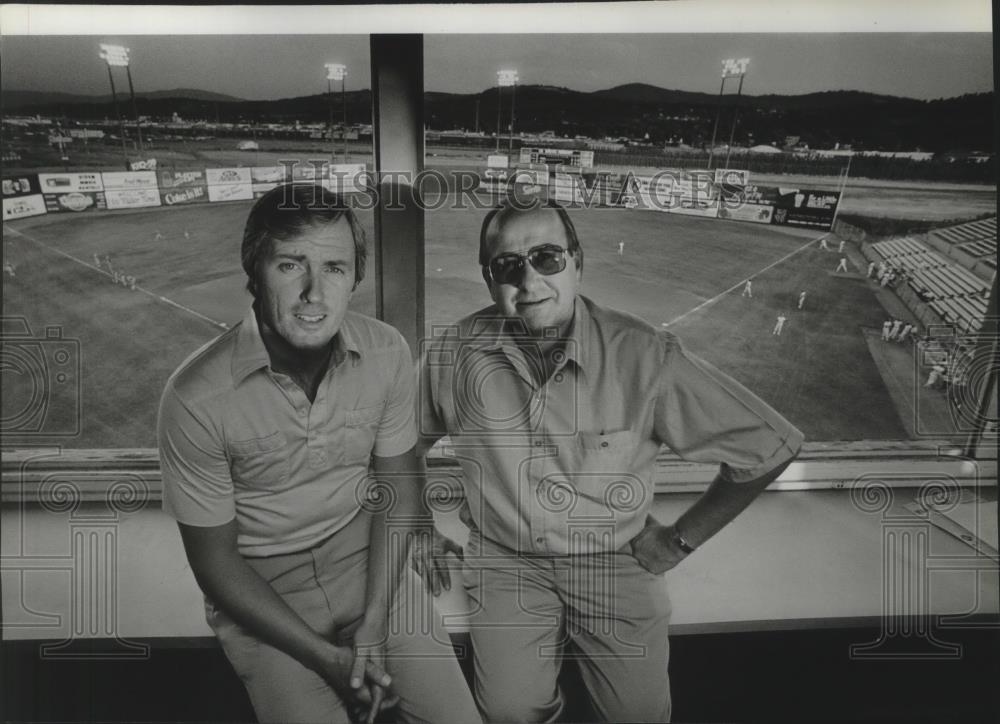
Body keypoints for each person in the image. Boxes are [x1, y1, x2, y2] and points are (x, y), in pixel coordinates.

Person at [417, 200, 803, 722]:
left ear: (578, 262)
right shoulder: (453, 354)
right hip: (504, 558)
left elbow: (768, 447)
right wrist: (419, 525)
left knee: (639, 714)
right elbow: (396, 444)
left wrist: (679, 539)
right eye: (508, 266)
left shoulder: (644, 355)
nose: (528, 280)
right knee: (509, 711)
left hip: (614, 558)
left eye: (547, 257)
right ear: (489, 280)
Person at [158, 184, 479, 724]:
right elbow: (216, 565)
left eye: (334, 268)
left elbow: (398, 487)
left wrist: (375, 619)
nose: (314, 292)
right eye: (290, 264)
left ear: (355, 278)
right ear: (254, 272)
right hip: (263, 591)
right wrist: (330, 660)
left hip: (370, 564)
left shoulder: (386, 351)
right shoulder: (194, 397)